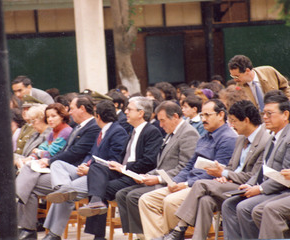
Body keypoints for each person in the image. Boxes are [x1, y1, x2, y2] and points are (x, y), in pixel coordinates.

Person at [168, 100, 270, 240]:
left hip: (246, 186)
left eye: (234, 121)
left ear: (246, 120)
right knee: (205, 200)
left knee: (200, 184)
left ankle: (179, 229)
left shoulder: (265, 141)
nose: (231, 125)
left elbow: (253, 176)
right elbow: (231, 166)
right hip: (230, 182)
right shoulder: (241, 138)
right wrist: (224, 175)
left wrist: (224, 173)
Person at [138, 99, 237, 240]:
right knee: (147, 199)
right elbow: (188, 166)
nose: (203, 119)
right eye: (202, 115)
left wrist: (185, 184)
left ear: (221, 115)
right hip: (188, 182)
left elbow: (214, 174)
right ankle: (159, 237)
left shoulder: (228, 139)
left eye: (207, 115)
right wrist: (175, 182)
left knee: (170, 201)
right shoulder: (204, 138)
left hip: (202, 186)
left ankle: (173, 236)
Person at [41, 100, 128, 240]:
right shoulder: (102, 131)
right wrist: (85, 165)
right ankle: (63, 189)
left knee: (67, 193)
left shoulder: (118, 132)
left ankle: (54, 234)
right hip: (88, 170)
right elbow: (91, 154)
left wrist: (90, 169)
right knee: (57, 164)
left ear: (97, 116)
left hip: (101, 176)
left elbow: (114, 160)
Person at [16, 96, 100, 240]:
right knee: (28, 179)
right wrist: (42, 159)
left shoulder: (92, 127)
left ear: (82, 109)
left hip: (75, 172)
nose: (70, 112)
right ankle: (28, 229)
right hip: (62, 170)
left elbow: (76, 153)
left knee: (30, 182)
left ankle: (15, 205)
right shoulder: (78, 127)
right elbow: (62, 152)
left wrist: (48, 161)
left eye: (72, 108)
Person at [79, 96, 163, 240]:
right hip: (124, 172)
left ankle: (98, 234)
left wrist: (123, 167)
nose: (126, 112)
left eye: (129, 109)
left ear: (141, 113)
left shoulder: (151, 132)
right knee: (96, 167)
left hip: (136, 175)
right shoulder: (133, 131)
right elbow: (123, 156)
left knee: (99, 189)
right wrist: (112, 165)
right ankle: (96, 203)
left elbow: (149, 161)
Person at [115, 100, 199, 238]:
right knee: (122, 194)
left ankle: (155, 235)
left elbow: (185, 167)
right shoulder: (171, 132)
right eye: (159, 120)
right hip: (162, 178)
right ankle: (142, 235)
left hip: (174, 182)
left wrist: (158, 179)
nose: (160, 125)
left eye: (163, 120)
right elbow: (161, 165)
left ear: (176, 117)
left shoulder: (188, 133)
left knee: (134, 196)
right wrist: (146, 175)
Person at [221, 92, 290, 240]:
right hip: (268, 186)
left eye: (269, 113)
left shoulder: (288, 138)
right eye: (264, 113)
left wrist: (260, 189)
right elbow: (262, 169)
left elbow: (284, 176)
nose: (265, 117)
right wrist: (249, 184)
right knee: (230, 204)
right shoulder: (273, 137)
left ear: (285, 115)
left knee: (249, 208)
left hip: (281, 189)